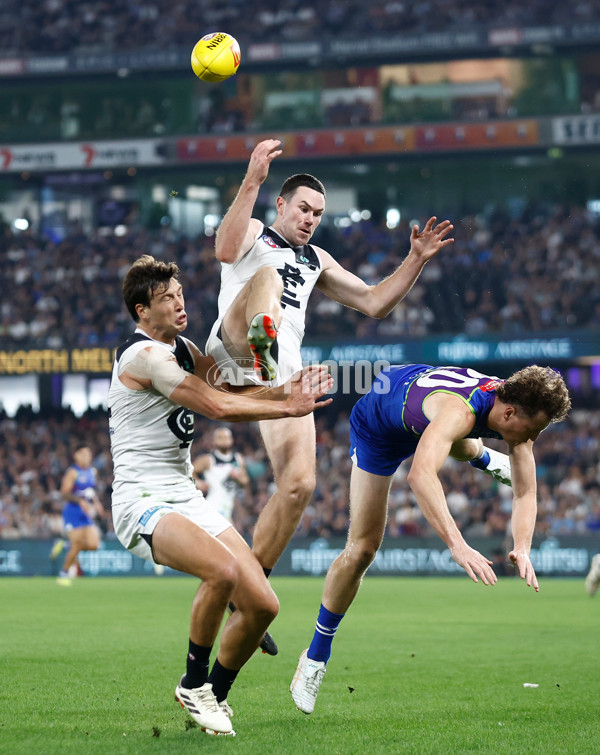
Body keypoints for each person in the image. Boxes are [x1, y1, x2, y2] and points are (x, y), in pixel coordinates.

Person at [205, 138, 457, 609]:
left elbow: (375, 302)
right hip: (233, 350)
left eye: (317, 214)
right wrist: (253, 178)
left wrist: (416, 259)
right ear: (281, 204)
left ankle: (250, 586)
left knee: (300, 485)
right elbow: (222, 249)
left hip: (280, 376)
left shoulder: (318, 259)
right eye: (303, 208)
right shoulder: (256, 231)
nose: (309, 219)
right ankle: (264, 341)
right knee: (269, 278)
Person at [108, 254, 332, 737]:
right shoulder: (143, 357)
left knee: (263, 606)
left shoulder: (185, 348)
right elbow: (215, 407)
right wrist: (283, 408)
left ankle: (215, 691)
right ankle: (193, 684)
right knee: (224, 571)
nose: (179, 303)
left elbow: (230, 388)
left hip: (185, 495)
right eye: (166, 299)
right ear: (142, 312)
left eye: (180, 294)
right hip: (141, 499)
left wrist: (280, 390)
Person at [289, 363, 571, 714]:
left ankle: (480, 455)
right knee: (362, 549)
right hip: (380, 423)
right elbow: (421, 476)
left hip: (423, 403)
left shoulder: (507, 406)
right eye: (533, 429)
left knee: (462, 443)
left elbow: (526, 492)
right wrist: (457, 544)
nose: (533, 438)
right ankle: (315, 657)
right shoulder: (459, 413)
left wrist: (522, 547)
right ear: (510, 411)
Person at [193, 426, 279, 655]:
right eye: (220, 436)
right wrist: (199, 484)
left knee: (230, 565)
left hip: (227, 517)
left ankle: (237, 607)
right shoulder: (206, 460)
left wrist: (240, 478)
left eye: (227, 436)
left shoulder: (237, 459)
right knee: (233, 563)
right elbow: (188, 474)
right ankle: (244, 613)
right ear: (214, 439)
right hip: (209, 516)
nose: (224, 439)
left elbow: (244, 484)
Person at [54, 446, 104, 586]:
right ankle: (63, 575)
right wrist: (79, 500)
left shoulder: (92, 471)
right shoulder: (72, 472)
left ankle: (65, 544)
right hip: (72, 512)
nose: (87, 456)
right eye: (83, 453)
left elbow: (91, 491)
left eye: (88, 453)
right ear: (76, 455)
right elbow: (64, 493)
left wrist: (97, 502)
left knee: (94, 544)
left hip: (85, 512)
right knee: (77, 545)